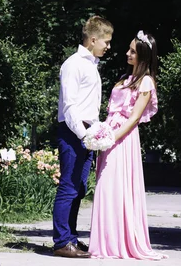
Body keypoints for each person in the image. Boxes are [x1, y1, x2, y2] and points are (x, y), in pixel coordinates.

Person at [88, 30, 168, 260]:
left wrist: (111, 139)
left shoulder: (145, 82)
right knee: (105, 187)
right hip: (110, 133)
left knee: (117, 187)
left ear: (143, 56)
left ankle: (118, 243)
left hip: (123, 139)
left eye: (133, 51)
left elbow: (134, 117)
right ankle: (105, 243)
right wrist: (102, 132)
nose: (127, 53)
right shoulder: (125, 79)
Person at [52, 16, 114, 258]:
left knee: (79, 187)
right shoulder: (73, 64)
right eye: (106, 41)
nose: (108, 46)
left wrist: (97, 131)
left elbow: (89, 105)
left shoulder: (91, 64)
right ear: (93, 39)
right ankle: (61, 242)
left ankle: (71, 238)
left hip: (87, 132)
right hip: (73, 132)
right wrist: (84, 134)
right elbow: (69, 107)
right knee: (68, 186)